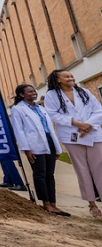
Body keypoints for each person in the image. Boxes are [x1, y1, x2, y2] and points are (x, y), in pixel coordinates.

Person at [44, 69, 102, 219]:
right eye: (66, 76)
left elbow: (98, 111)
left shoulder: (84, 92)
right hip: (72, 137)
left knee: (99, 169)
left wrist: (87, 125)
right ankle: (92, 204)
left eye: (71, 75)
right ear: (58, 80)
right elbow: (53, 115)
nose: (71, 78)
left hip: (93, 134)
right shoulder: (52, 95)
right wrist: (76, 124)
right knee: (82, 169)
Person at [10, 83, 69, 216]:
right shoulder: (18, 109)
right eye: (29, 92)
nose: (33, 93)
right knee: (40, 173)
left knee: (50, 174)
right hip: (34, 144)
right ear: (21, 94)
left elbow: (50, 128)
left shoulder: (41, 108)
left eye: (34, 91)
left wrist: (57, 148)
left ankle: (54, 203)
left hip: (49, 141)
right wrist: (26, 149)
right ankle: (46, 203)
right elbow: (18, 130)